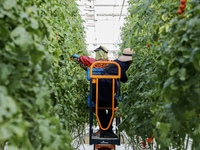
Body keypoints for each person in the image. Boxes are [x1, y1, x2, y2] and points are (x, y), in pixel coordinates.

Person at [92, 48, 134, 138]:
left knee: (99, 106)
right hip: (107, 86)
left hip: (98, 85)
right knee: (112, 106)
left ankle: (103, 130)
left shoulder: (116, 62)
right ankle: (107, 130)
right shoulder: (124, 65)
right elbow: (125, 79)